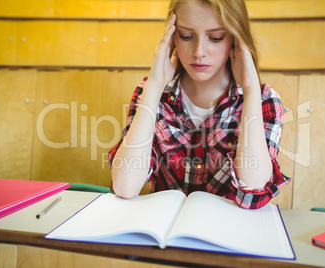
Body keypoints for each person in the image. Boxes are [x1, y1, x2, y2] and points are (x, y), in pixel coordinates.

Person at [108, 0, 291, 209]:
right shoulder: (150, 92)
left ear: (235, 39)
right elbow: (125, 186)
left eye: (215, 38)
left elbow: (253, 190)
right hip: (165, 238)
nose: (199, 52)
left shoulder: (264, 99)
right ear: (172, 35)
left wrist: (250, 91)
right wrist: (155, 86)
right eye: (186, 36)